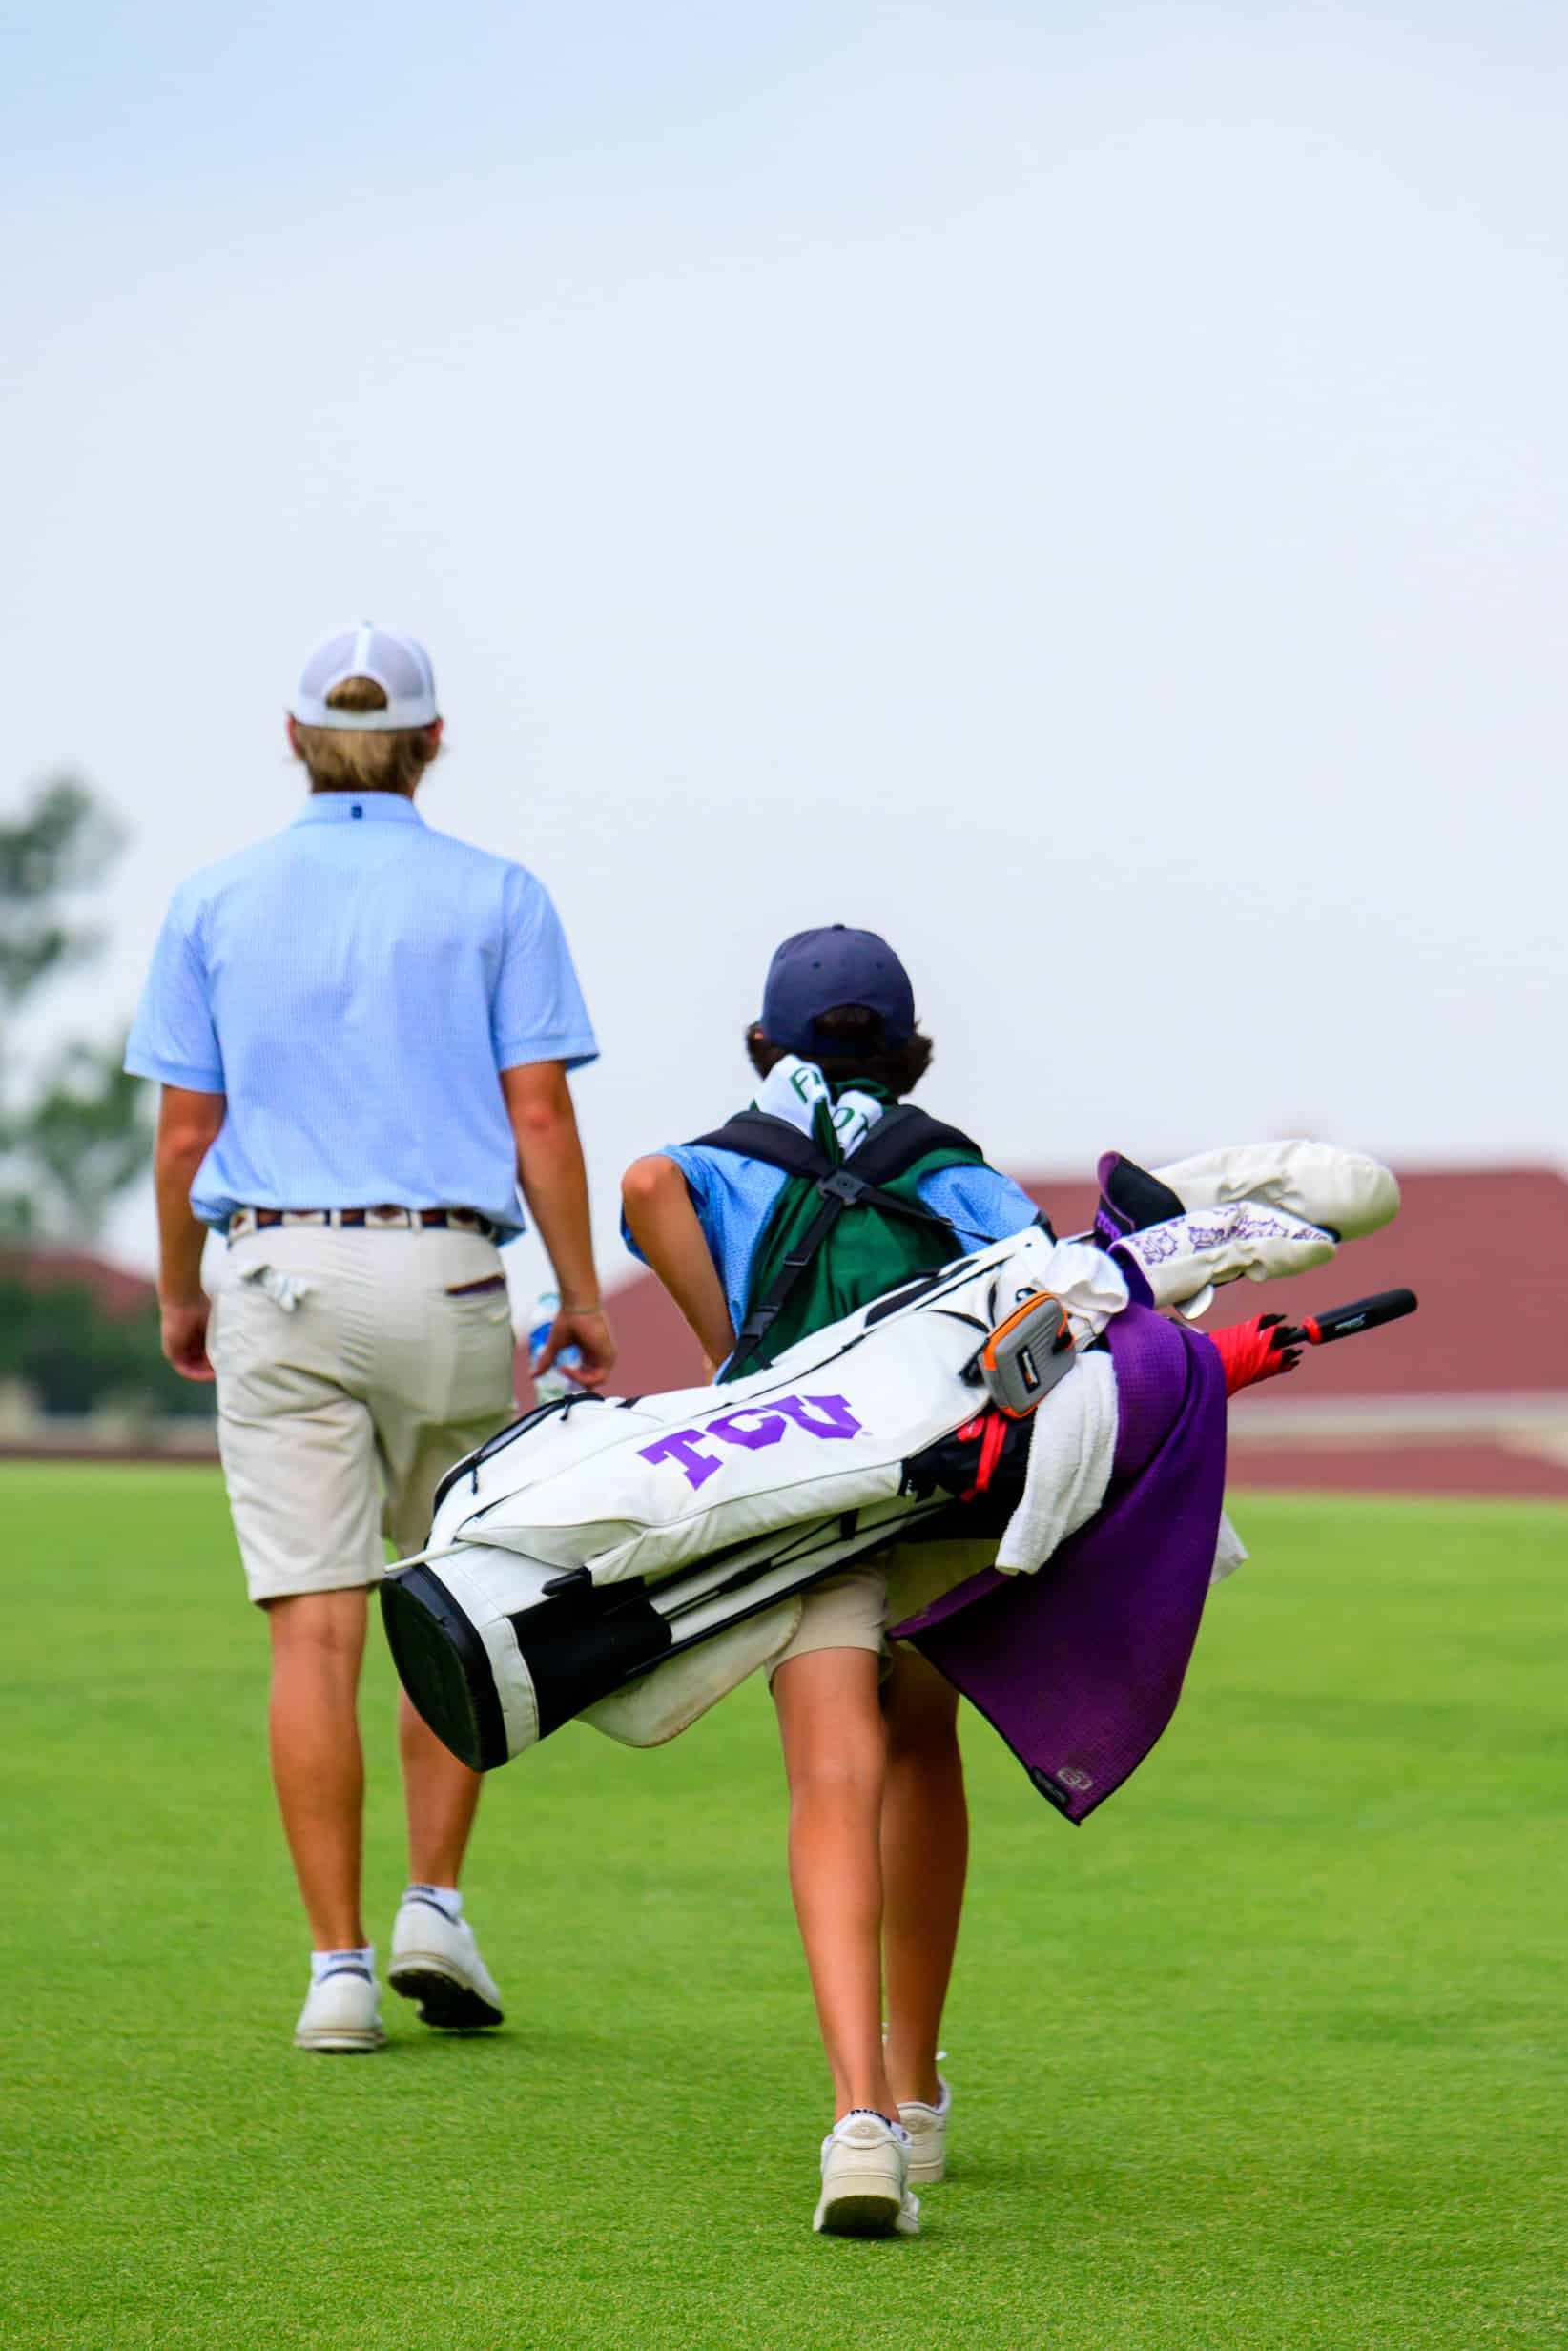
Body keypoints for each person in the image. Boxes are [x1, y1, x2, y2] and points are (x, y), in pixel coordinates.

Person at [126, 622, 616, 2054]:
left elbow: (182, 1138)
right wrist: (578, 1297)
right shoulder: (498, 896)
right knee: (450, 1599)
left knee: (314, 1626)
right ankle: (436, 1906)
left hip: (273, 1270)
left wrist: (177, 1290)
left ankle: (338, 1969)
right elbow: (539, 1119)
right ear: (433, 744)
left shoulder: (212, 901)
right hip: (453, 1276)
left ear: (293, 740)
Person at [620, 925, 1042, 2238]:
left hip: (799, 1498)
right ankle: (917, 2096)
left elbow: (642, 1186)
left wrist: (736, 1354)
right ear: (912, 1051)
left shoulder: (726, 1162)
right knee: (923, 1749)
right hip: (935, 1495)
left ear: (764, 1045)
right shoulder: (948, 1165)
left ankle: (855, 2114)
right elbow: (1044, 1291)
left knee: (831, 1773)